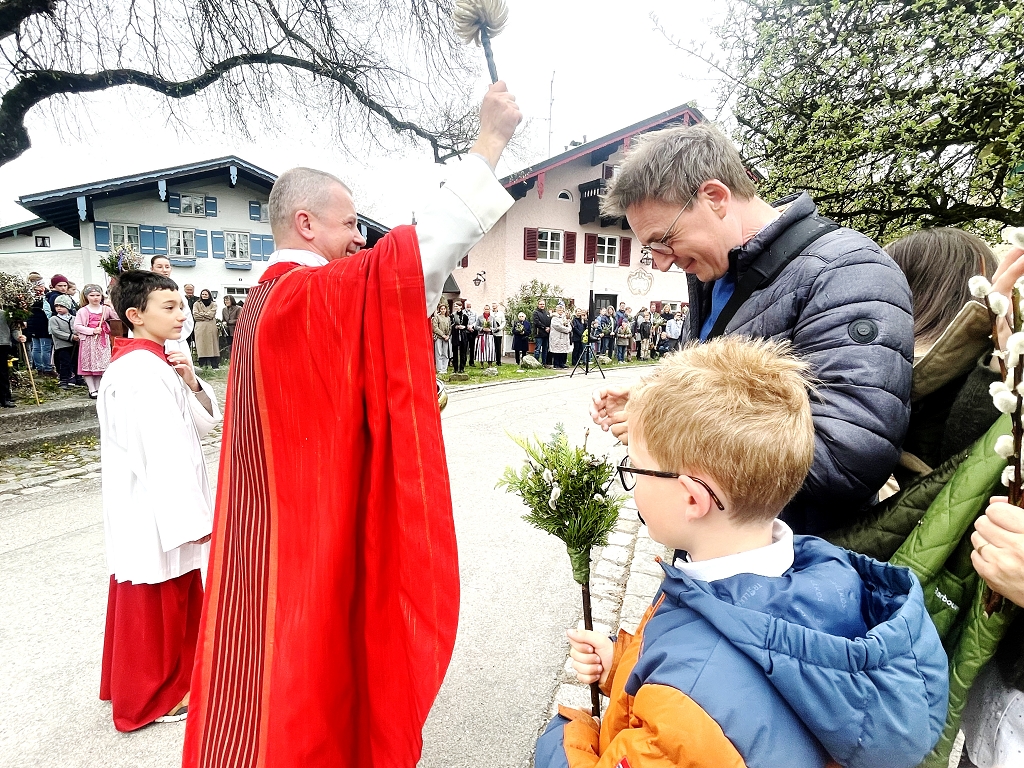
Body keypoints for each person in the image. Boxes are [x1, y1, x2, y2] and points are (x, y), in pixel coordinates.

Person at [182, 81, 521, 768]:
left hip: (267, 520)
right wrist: (488, 144)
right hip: (305, 530)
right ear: (306, 224)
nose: (359, 238)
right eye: (348, 225)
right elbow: (416, 259)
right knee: (307, 669)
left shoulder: (262, 304)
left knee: (261, 662)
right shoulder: (301, 297)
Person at [538, 336, 948, 768]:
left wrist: (568, 735)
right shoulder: (829, 574)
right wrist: (620, 665)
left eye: (634, 466)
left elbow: (691, 705)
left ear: (691, 498)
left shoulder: (690, 706)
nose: (632, 480)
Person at [591, 122, 914, 534]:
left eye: (663, 240)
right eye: (650, 248)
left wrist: (664, 423)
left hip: (789, 557)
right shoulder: (715, 274)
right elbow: (724, 397)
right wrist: (653, 398)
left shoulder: (850, 271)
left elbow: (848, 458)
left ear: (715, 197)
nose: (662, 261)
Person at [97, 270, 220, 732]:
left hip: (158, 500)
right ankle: (151, 695)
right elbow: (162, 451)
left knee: (169, 586)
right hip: (154, 503)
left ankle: (163, 679)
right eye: (168, 307)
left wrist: (191, 382)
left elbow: (202, 424)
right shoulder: (138, 373)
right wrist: (192, 517)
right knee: (155, 591)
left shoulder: (156, 363)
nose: (181, 315)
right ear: (135, 315)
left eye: (180, 306)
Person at [74, 284, 116, 398]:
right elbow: (77, 326)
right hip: (89, 341)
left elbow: (116, 317)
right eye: (92, 295)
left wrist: (112, 306)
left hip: (102, 340)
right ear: (87, 296)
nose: (95, 298)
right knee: (88, 364)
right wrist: (92, 331)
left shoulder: (105, 309)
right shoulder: (83, 311)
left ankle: (98, 387)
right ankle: (91, 389)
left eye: (98, 295)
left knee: (100, 365)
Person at [48, 295, 79, 388]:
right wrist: (71, 337)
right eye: (57, 306)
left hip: (74, 345)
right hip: (62, 345)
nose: (58, 308)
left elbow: (76, 328)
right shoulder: (54, 319)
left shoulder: (74, 318)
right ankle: (64, 380)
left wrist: (77, 335)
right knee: (64, 363)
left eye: (61, 306)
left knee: (75, 362)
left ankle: (77, 378)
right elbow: (56, 331)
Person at [26, 283, 54, 376]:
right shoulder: (43, 298)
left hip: (32, 324)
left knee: (36, 347)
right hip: (43, 324)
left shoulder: (28, 297)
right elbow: (47, 312)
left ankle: (39, 368)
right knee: (45, 348)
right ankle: (47, 368)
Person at [1, 309, 26, 407]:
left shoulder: (5, 314)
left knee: (2, 372)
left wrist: (19, 337)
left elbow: (14, 328)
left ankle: (5, 397)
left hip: (2, 344)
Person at [191, 289, 219, 369]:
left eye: (206, 294)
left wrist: (202, 314)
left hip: (211, 327)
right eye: (202, 294)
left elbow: (211, 314)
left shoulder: (213, 304)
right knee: (201, 345)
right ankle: (203, 365)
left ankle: (214, 365)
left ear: (209, 295)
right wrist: (207, 315)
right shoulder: (196, 304)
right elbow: (195, 315)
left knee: (213, 345)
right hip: (200, 327)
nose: (204, 296)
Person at [548, 303, 570, 369]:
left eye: (562, 310)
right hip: (557, 337)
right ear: (557, 310)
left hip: (564, 337)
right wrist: (567, 330)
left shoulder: (564, 318)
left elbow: (569, 325)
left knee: (563, 350)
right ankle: (556, 364)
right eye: (559, 310)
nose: (561, 311)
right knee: (557, 351)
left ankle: (562, 363)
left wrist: (569, 328)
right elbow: (558, 327)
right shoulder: (554, 318)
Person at [451, 300, 470, 374]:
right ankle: (455, 368)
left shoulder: (465, 316)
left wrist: (463, 327)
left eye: (457, 306)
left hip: (463, 335)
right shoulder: (452, 315)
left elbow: (466, 325)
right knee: (455, 352)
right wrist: (455, 327)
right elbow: (451, 324)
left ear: (461, 307)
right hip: (455, 334)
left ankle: (462, 368)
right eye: (455, 306)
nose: (456, 307)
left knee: (463, 352)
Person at [432, 303, 452, 373]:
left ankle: (444, 369)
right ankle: (439, 369)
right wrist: (442, 335)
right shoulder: (436, 317)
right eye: (441, 309)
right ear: (439, 310)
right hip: (439, 337)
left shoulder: (448, 318)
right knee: (439, 353)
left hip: (446, 338)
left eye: (444, 309)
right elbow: (435, 328)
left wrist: (448, 335)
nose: (443, 310)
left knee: (445, 353)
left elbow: (450, 328)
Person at [533, 299, 551, 366]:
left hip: (546, 334)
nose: (542, 305)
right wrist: (545, 327)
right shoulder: (535, 312)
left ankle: (544, 363)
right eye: (541, 304)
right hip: (539, 334)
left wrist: (549, 328)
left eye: (543, 304)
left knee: (545, 349)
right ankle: (536, 363)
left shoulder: (547, 313)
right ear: (538, 305)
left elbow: (550, 321)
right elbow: (536, 322)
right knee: (537, 349)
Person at [464, 299, 478, 367]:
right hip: (465, 332)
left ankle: (471, 362)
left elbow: (476, 321)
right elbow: (462, 321)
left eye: (469, 305)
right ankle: (464, 361)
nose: (468, 306)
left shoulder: (474, 313)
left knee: (472, 347)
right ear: (465, 305)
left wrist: (472, 326)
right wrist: (467, 327)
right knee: (464, 347)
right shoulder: (463, 312)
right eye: (467, 305)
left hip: (472, 332)